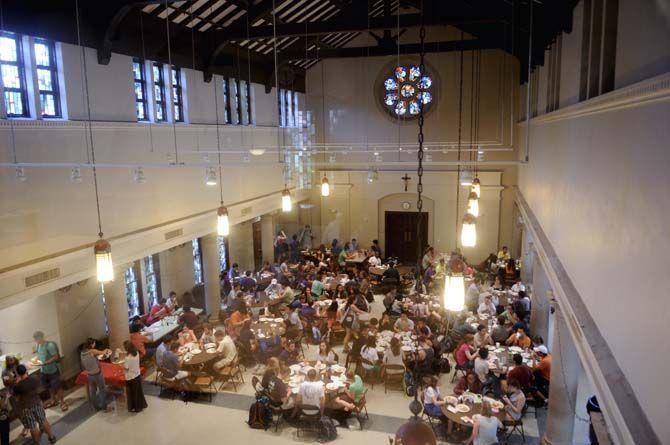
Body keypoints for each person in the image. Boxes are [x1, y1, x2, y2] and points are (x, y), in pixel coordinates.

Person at [13, 365, 57, 444]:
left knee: (33, 426)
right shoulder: (34, 379)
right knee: (43, 420)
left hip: (26, 407)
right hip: (37, 403)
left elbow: (16, 399)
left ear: (18, 374)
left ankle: (37, 443)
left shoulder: (17, 386)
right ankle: (51, 437)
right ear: (26, 370)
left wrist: (17, 383)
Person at [33, 331, 67, 412]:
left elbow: (56, 357)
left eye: (37, 338)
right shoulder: (38, 345)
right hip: (43, 371)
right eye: (35, 339)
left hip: (53, 371)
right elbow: (39, 355)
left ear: (42, 337)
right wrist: (35, 360)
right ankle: (53, 400)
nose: (36, 340)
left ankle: (62, 403)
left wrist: (46, 362)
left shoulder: (50, 345)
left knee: (58, 387)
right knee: (49, 387)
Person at [80, 338, 111, 410]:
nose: (95, 344)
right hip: (97, 374)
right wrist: (107, 350)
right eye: (94, 343)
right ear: (91, 344)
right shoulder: (92, 351)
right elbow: (103, 352)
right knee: (102, 390)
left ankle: (95, 407)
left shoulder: (82, 353)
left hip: (89, 374)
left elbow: (83, 365)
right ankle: (104, 407)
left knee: (93, 391)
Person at [122, 340, 147, 413]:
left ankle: (135, 407)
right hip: (137, 375)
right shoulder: (136, 353)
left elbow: (126, 368)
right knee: (138, 392)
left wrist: (122, 366)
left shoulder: (127, 358)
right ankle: (141, 405)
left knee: (131, 394)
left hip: (131, 377)